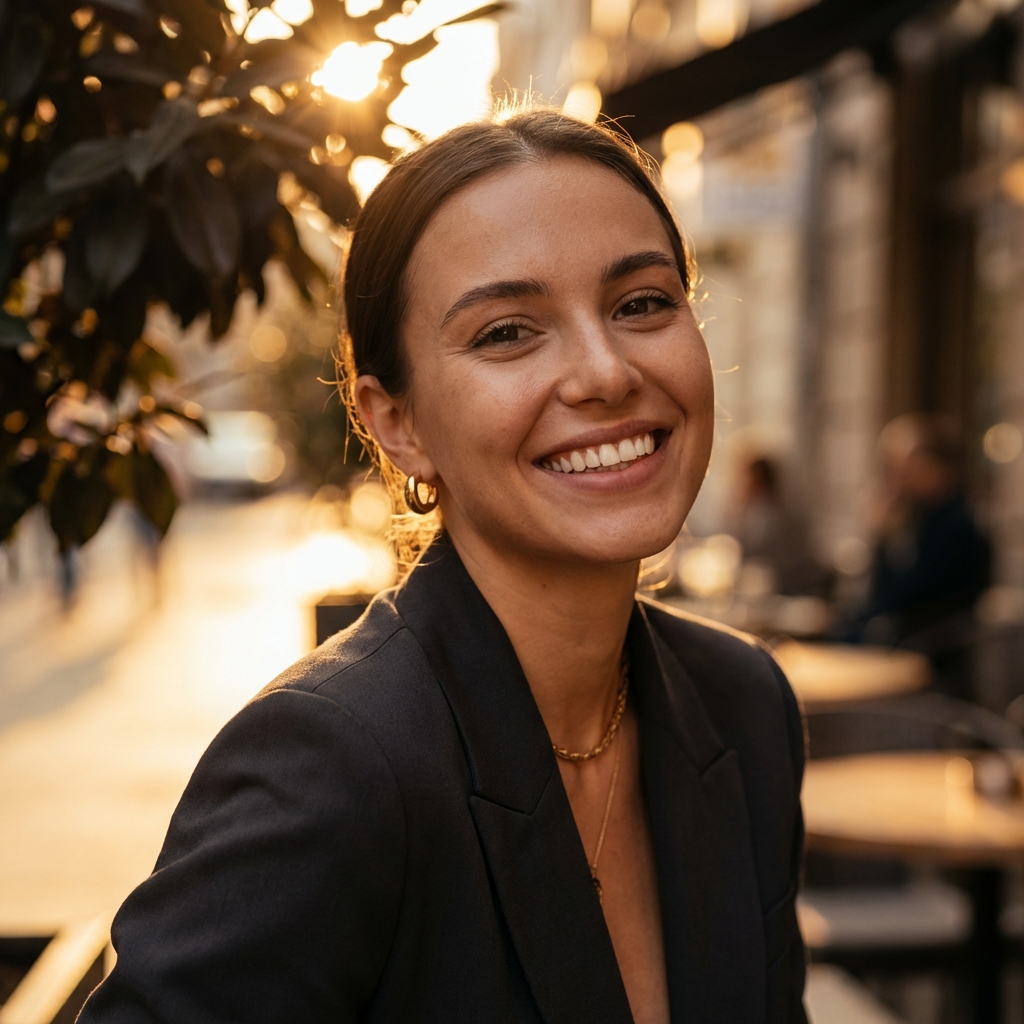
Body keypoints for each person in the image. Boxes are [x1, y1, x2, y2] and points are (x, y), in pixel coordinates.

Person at [78, 110, 806, 1024]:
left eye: (642, 303)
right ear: (397, 424)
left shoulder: (743, 705)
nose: (605, 371)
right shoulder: (331, 765)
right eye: (507, 332)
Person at [841, 413, 990, 694]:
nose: (895, 477)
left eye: (901, 465)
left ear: (930, 465)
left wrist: (882, 540)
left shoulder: (954, 525)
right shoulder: (927, 517)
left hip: (921, 654)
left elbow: (903, 595)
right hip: (905, 640)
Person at [729, 454, 828, 597]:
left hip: (794, 587)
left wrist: (739, 512)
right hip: (790, 584)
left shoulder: (771, 512)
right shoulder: (779, 506)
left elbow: (753, 550)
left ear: (758, 478)